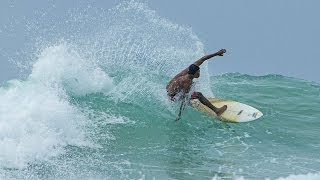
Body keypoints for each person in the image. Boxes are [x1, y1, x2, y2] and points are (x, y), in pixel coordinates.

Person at [166, 49, 228, 120]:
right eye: (198, 72)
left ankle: (196, 101)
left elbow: (203, 59)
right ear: (194, 73)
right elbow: (184, 99)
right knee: (198, 95)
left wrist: (216, 53)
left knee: (193, 85)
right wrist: (179, 115)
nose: (199, 73)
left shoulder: (190, 69)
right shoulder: (187, 82)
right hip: (172, 96)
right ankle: (217, 111)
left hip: (170, 88)